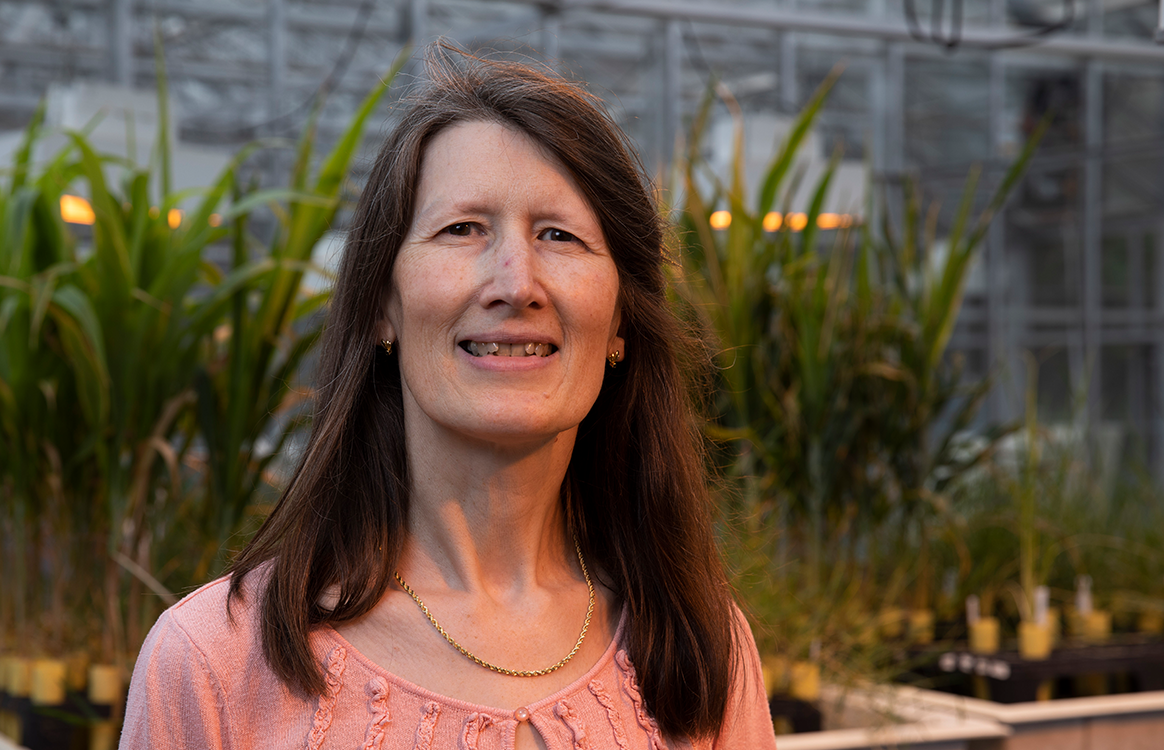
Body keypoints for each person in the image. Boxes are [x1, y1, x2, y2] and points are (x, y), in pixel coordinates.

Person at [119, 47, 775, 750]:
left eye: (559, 235)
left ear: (620, 320)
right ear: (382, 305)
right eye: (462, 229)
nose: (515, 282)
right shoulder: (215, 661)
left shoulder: (703, 650)